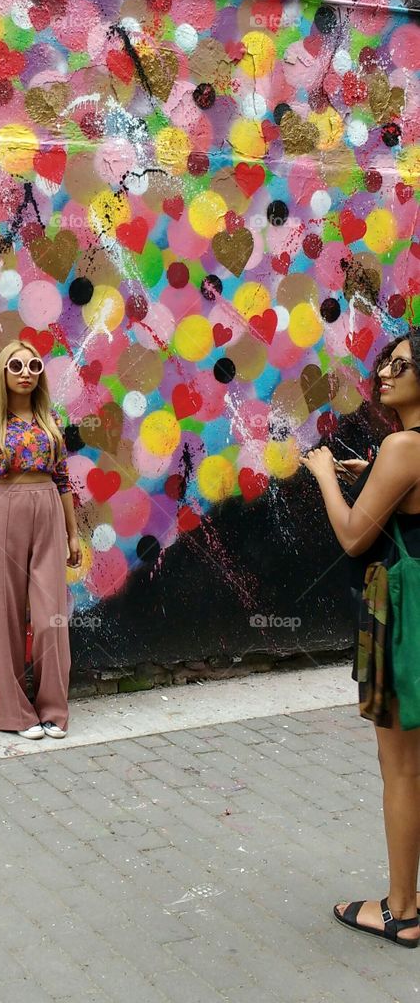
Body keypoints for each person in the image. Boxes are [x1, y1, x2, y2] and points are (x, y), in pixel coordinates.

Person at [301, 327, 420, 949]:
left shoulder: (403, 444)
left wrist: (325, 472)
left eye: (400, 365)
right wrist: (372, 470)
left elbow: (353, 535)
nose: (385, 374)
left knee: (400, 769)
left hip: (406, 619)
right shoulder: (402, 451)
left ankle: (402, 911)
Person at [0, 339, 81, 740]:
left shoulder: (50, 419)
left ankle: (53, 711)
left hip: (48, 505)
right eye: (16, 366)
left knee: (51, 617)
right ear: (2, 373)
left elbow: (64, 479)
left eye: (33, 366)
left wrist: (73, 533)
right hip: (2, 509)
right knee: (6, 615)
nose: (26, 373)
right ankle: (16, 715)